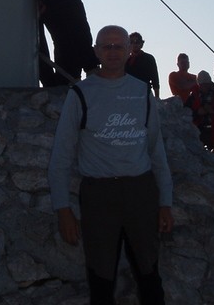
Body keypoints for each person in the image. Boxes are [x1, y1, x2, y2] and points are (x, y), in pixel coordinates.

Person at [48, 25, 174, 304]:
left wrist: (165, 201)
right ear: (96, 51)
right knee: (101, 277)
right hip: (98, 196)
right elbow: (61, 155)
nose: (113, 52)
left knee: (149, 274)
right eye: (107, 46)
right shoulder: (80, 93)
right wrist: (63, 209)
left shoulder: (142, 92)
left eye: (119, 46)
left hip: (141, 192)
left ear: (130, 50)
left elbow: (157, 152)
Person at [183, 70, 214, 150]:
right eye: (202, 85)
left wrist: (212, 111)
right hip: (199, 129)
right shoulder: (193, 96)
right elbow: (186, 112)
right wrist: (197, 112)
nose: (205, 87)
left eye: (206, 84)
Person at [125, 32, 161, 98]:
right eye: (132, 42)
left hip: (144, 93)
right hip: (128, 94)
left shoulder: (148, 58)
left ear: (141, 44)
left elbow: (155, 79)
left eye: (137, 42)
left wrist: (157, 98)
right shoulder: (125, 60)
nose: (134, 44)